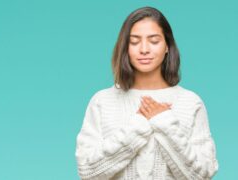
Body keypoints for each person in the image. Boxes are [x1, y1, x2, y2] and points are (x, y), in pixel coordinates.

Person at [75, 6, 218, 180]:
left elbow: (202, 176)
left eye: (154, 41)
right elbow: (88, 172)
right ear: (125, 48)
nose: (144, 49)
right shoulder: (102, 101)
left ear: (167, 46)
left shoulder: (190, 102)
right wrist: (138, 127)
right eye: (134, 42)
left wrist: (165, 123)